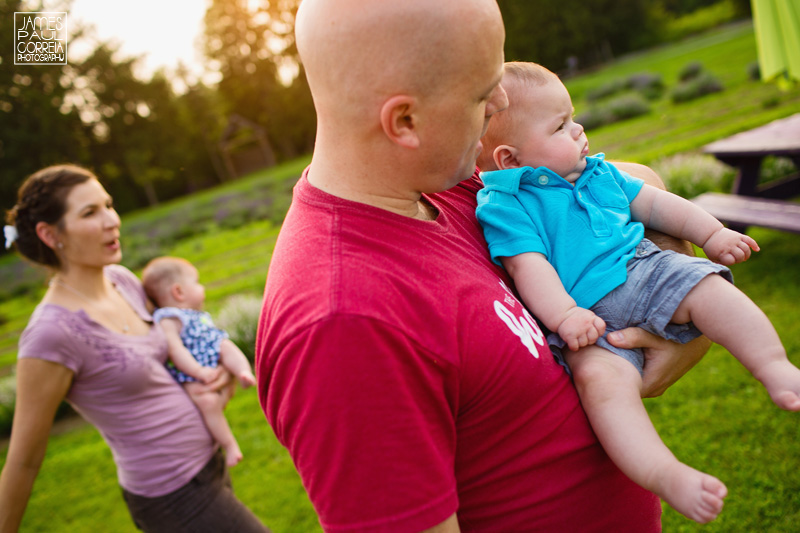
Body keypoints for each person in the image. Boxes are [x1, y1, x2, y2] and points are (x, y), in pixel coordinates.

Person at [256, 1, 711, 531]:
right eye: (481, 92)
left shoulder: (444, 185)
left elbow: (638, 184)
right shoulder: (345, 325)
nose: (500, 102)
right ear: (404, 120)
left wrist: (679, 310)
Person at [475, 61, 800, 523]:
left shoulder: (596, 173)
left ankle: (775, 366)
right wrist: (566, 316)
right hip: (586, 317)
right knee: (601, 386)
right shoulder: (505, 205)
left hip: (645, 270)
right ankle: (664, 472)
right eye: (561, 125)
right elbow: (530, 267)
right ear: (510, 159)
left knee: (709, 291)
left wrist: (711, 234)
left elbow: (654, 203)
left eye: (572, 117)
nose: (579, 129)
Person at [0, 165, 269, 533]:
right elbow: (23, 461)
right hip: (172, 496)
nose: (112, 220)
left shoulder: (122, 280)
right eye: (90, 213)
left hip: (210, 465)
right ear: (50, 234)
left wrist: (214, 373)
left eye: (108, 205)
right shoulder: (51, 333)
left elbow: (170, 351)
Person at [142, 256, 257, 467]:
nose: (201, 288)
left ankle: (244, 372)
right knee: (207, 402)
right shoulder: (169, 318)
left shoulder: (194, 314)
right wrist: (199, 371)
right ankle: (229, 445)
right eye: (196, 283)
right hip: (192, 372)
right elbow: (175, 350)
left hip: (211, 353)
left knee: (226, 345)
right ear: (179, 292)